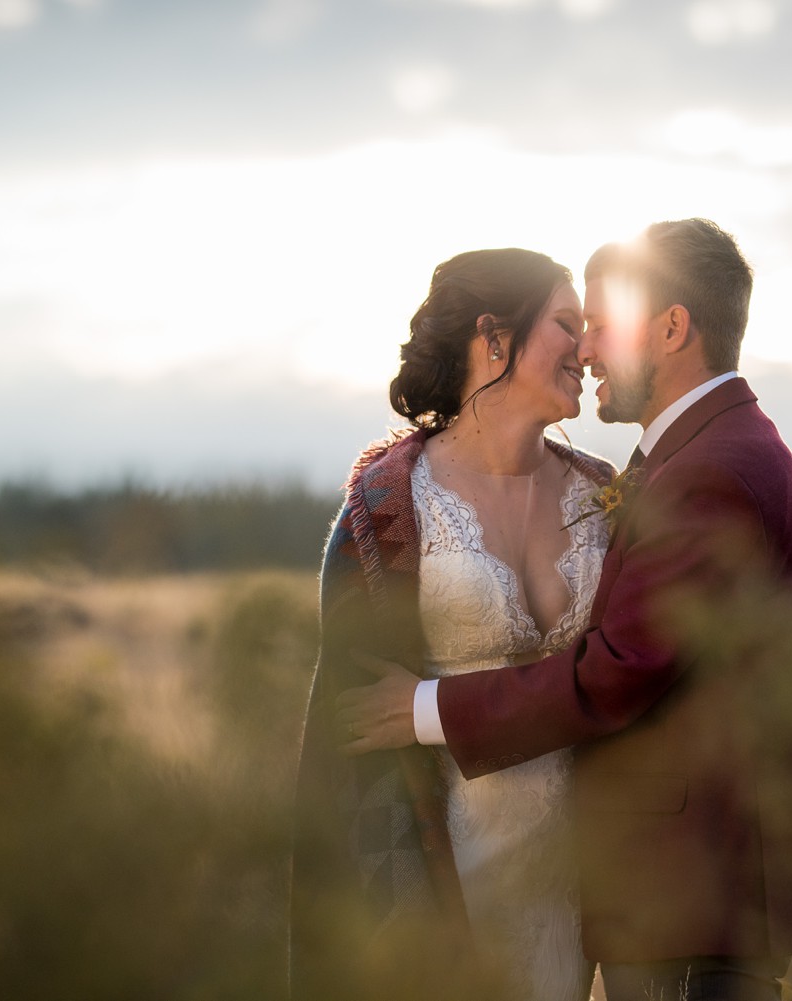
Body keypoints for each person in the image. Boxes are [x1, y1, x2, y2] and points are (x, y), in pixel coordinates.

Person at [337, 219, 792, 1001]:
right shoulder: (697, 456)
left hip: (688, 897)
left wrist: (422, 708)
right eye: (575, 327)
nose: (589, 350)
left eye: (601, 326)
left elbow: (616, 671)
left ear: (673, 326)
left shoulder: (708, 470)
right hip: (618, 886)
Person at [289, 248, 616, 1001]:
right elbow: (346, 736)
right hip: (447, 872)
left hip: (584, 880)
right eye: (568, 324)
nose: (587, 347)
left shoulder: (608, 498)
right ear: (493, 336)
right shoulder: (386, 504)